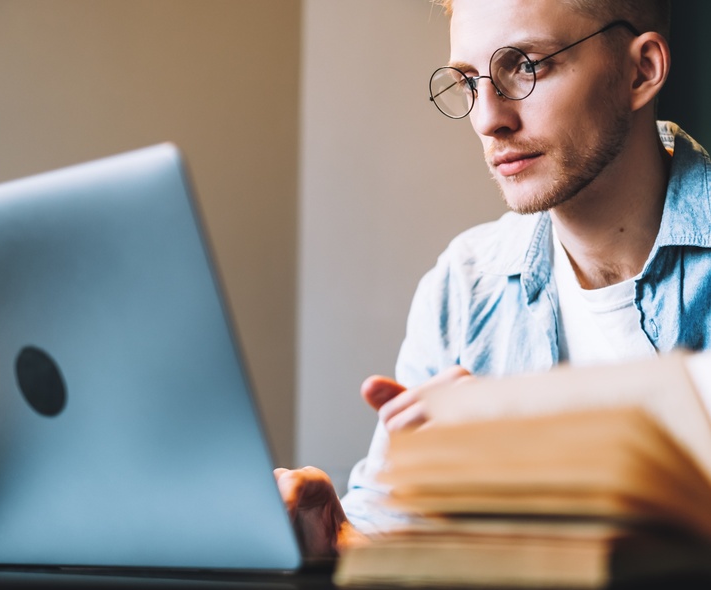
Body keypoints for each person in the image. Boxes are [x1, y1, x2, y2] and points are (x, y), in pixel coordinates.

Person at [276, 0, 711, 557]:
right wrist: (337, 537)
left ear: (641, 70)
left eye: (525, 66)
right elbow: (391, 530)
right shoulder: (464, 284)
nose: (488, 119)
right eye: (466, 82)